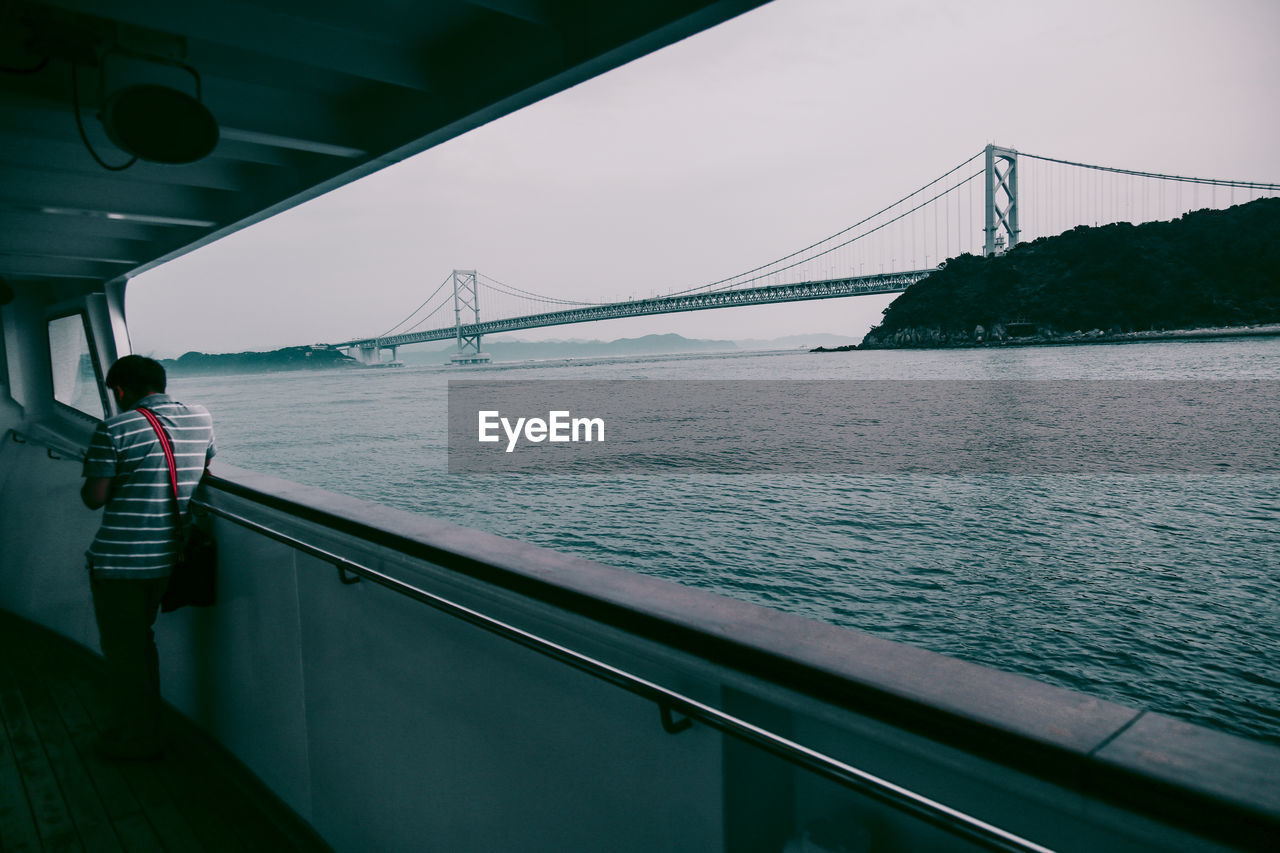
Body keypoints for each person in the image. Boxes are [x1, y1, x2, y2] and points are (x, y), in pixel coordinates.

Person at [80, 355, 215, 759]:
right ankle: (144, 728)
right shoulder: (201, 417)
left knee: (125, 653)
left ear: (119, 390)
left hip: (121, 562)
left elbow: (94, 498)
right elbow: (206, 465)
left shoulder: (114, 428)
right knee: (142, 648)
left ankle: (138, 740)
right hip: (171, 557)